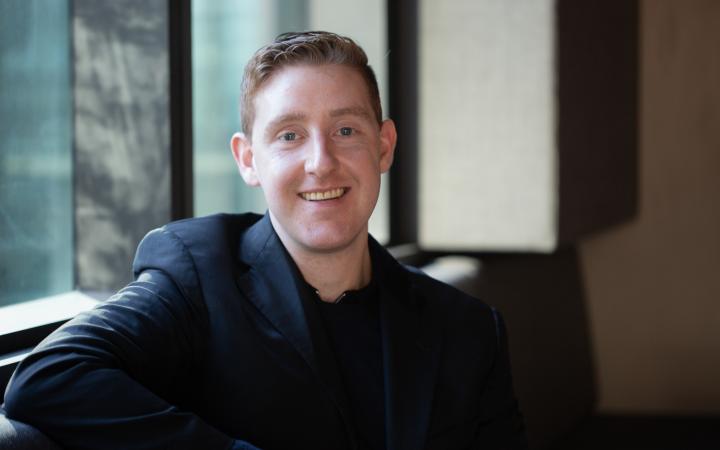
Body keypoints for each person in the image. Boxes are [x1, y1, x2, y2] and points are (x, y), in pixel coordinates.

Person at [3, 31, 527, 450]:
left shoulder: (470, 329)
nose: (321, 161)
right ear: (248, 159)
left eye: (346, 130)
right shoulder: (197, 277)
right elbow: (47, 377)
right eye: (289, 135)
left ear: (383, 146)